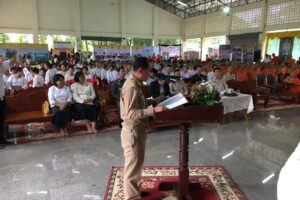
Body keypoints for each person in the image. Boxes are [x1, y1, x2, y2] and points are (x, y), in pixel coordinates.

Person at [120, 57, 165, 199]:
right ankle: (132, 197)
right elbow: (131, 113)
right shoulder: (131, 87)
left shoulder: (136, 83)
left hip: (138, 130)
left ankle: (135, 192)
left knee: (137, 165)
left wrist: (152, 101)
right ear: (140, 71)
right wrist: (154, 110)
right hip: (132, 132)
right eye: (148, 71)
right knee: (132, 169)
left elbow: (138, 104)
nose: (150, 74)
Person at [0, 51, 17, 146]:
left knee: (1, 120)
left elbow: (12, 61)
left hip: (2, 98)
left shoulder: (1, 66)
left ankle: (1, 140)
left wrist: (14, 54)